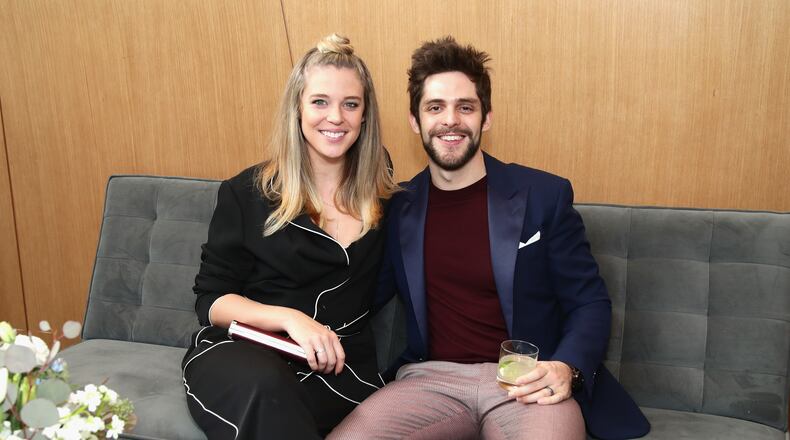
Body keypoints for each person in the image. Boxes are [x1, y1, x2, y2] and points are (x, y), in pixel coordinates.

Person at [330, 37, 650, 440]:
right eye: (435, 108)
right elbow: (360, 294)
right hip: (430, 380)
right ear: (415, 121)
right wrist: (281, 317)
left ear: (486, 118)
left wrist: (565, 367)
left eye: (465, 107)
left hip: (528, 382)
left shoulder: (543, 196)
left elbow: (589, 301)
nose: (451, 120)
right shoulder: (398, 208)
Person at [182, 34, 397, 439]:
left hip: (340, 366)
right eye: (319, 101)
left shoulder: (383, 191)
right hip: (245, 356)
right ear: (297, 109)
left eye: (350, 104)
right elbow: (210, 301)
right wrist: (291, 319)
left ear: (365, 115)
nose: (336, 117)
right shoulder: (246, 192)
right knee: (268, 390)